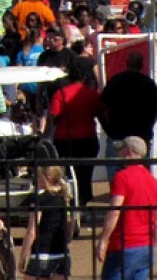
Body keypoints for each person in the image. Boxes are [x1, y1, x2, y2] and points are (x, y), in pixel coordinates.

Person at [95, 137, 157, 280]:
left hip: (124, 244)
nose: (119, 154)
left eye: (121, 150)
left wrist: (103, 240)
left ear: (129, 151)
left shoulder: (122, 177)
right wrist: (154, 243)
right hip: (146, 246)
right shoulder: (154, 182)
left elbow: (115, 211)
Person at [47, 60, 102, 208]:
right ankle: (83, 200)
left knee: (66, 173)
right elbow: (101, 114)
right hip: (87, 138)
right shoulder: (92, 95)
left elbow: (54, 117)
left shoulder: (60, 94)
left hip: (64, 139)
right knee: (85, 173)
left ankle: (68, 201)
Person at [98, 51, 157, 157]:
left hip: (117, 134)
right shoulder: (148, 83)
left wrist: (108, 129)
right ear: (142, 65)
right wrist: (148, 126)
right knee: (138, 171)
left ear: (127, 63)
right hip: (141, 136)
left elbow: (101, 107)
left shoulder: (116, 81)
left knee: (115, 170)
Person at [17, 164, 73, 280]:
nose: (36, 179)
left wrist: (23, 255)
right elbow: (69, 226)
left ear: (48, 177)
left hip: (41, 252)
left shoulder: (40, 200)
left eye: (38, 176)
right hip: (62, 253)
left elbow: (31, 231)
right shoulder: (65, 198)